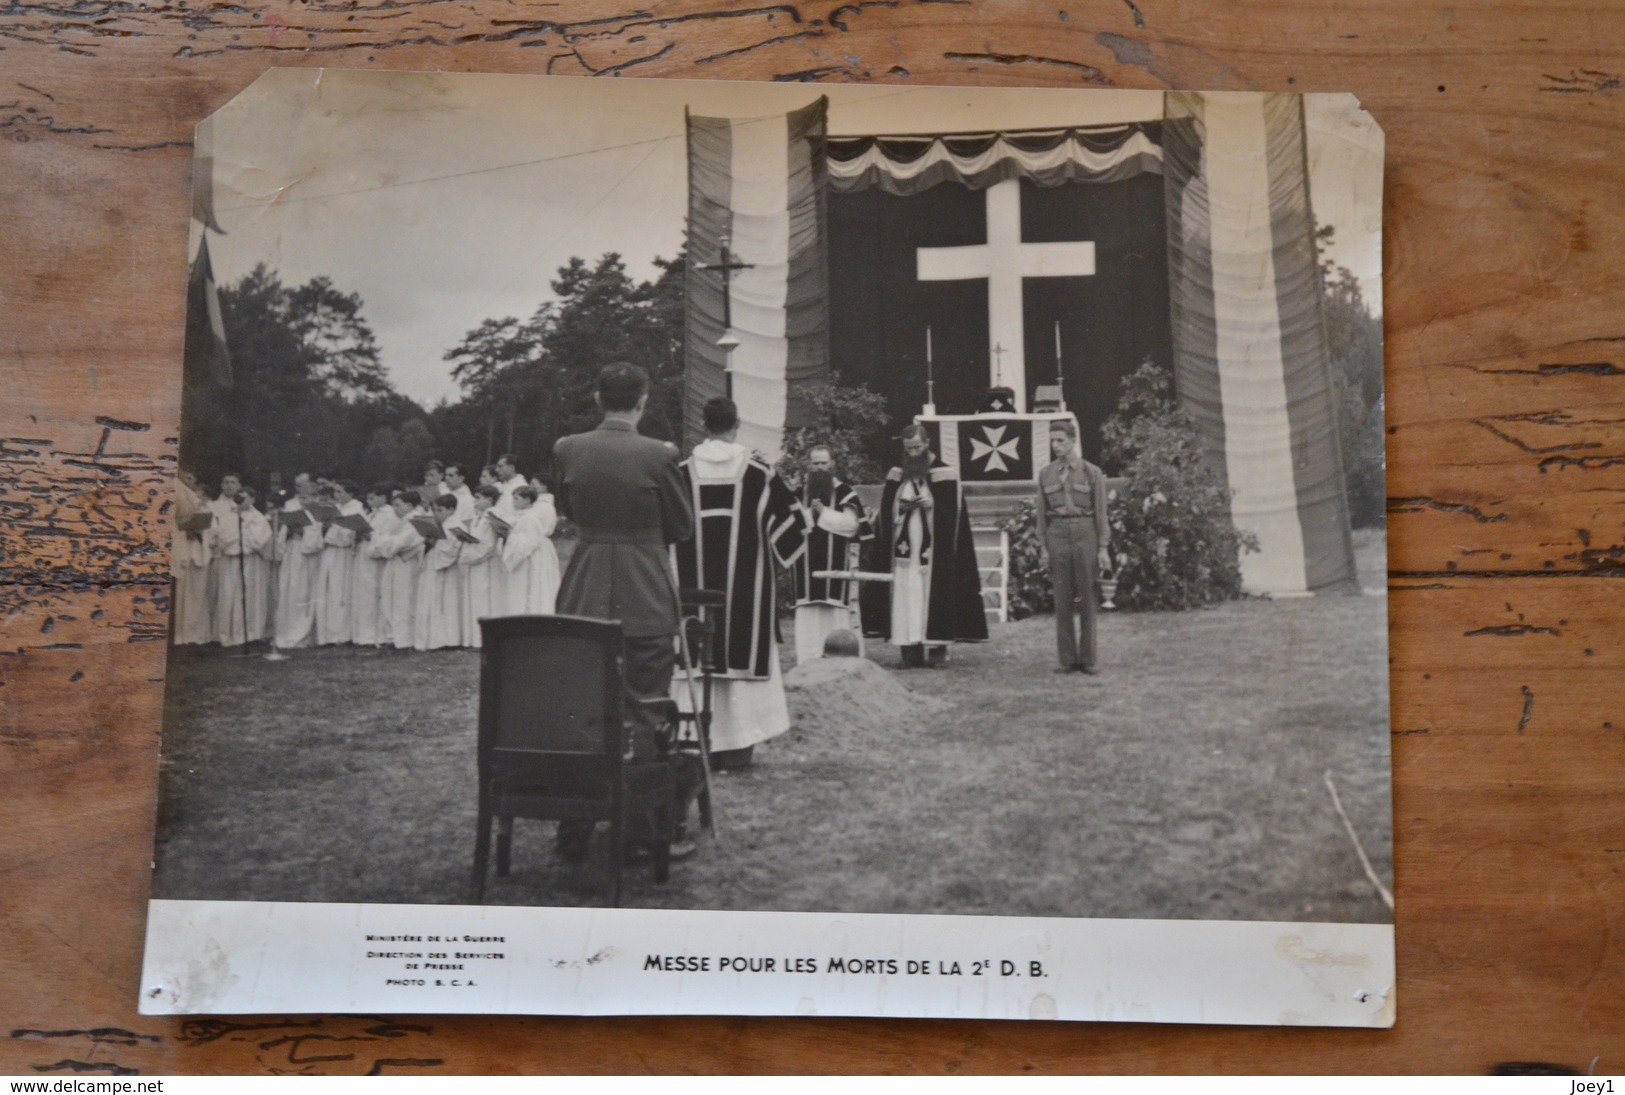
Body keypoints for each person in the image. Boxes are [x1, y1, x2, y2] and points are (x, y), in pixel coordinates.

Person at [553, 361, 695, 860]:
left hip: (583, 591)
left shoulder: (568, 448)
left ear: (597, 399)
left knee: (580, 709)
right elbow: (682, 528)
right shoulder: (660, 455)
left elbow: (569, 511)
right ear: (643, 401)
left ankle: (572, 830)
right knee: (642, 711)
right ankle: (637, 833)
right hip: (645, 596)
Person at [673, 396, 809, 768]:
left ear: (704, 425)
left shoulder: (680, 474)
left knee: (696, 655)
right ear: (736, 426)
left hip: (690, 595)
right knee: (740, 650)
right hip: (745, 596)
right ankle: (738, 746)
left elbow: (661, 529)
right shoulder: (760, 475)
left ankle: (692, 745)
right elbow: (795, 528)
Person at [861, 423, 988, 666]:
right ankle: (909, 650)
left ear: (927, 444)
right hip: (903, 553)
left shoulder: (945, 474)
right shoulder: (896, 474)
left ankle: (937, 650)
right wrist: (901, 507)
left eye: (917, 447)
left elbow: (955, 517)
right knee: (905, 595)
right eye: (908, 448)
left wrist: (931, 507)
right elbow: (885, 514)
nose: (912, 453)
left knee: (932, 595)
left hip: (933, 554)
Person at [1036, 419, 1111, 675]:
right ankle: (1067, 659)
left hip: (1085, 532)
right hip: (1057, 533)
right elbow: (1041, 515)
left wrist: (1102, 548)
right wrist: (1044, 548)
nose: (1055, 445)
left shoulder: (1091, 472)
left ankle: (1088, 658)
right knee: (1062, 598)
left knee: (1088, 597)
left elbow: (1101, 512)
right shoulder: (1046, 474)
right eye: (1052, 441)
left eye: (1060, 440)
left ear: (1073, 440)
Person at [790, 444, 868, 664]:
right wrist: (809, 514)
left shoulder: (844, 493)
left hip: (836, 569)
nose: (820, 468)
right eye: (815, 463)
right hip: (805, 570)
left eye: (824, 463)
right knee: (809, 614)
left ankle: (841, 659)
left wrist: (823, 513)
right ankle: (808, 661)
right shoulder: (797, 494)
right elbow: (791, 526)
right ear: (808, 465)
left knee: (835, 613)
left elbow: (852, 526)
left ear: (832, 465)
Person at [212, 486, 273, 648]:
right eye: (239, 497)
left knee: (250, 596)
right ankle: (229, 633)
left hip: (250, 561)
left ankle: (252, 633)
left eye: (245, 498)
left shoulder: (258, 517)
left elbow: (258, 540)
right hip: (231, 561)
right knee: (230, 594)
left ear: (252, 499)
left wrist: (244, 531)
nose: (240, 501)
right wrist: (241, 533)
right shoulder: (228, 516)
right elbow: (223, 537)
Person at [273, 472, 324, 650]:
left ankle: (302, 633)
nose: (300, 492)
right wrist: (286, 532)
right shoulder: (290, 505)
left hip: (308, 556)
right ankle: (285, 632)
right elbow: (283, 532)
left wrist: (305, 534)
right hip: (292, 552)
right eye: (297, 488)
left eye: (303, 486)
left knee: (304, 593)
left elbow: (318, 537)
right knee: (289, 591)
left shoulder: (319, 509)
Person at [315, 481, 365, 645]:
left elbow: (349, 535)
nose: (337, 495)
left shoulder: (356, 508)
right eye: (335, 492)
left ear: (351, 494)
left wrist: (333, 528)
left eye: (340, 492)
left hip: (343, 554)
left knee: (339, 592)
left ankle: (340, 634)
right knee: (328, 591)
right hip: (330, 552)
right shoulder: (338, 508)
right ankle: (327, 634)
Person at [499, 484, 560, 615]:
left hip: (532, 558)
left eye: (516, 498)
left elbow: (528, 543)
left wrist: (510, 537)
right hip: (528, 556)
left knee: (532, 591)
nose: (513, 502)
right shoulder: (522, 516)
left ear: (527, 500)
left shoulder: (530, 518)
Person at [414, 494, 464, 650]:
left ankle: (447, 639)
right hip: (433, 566)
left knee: (445, 603)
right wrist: (428, 543)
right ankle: (433, 638)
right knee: (433, 601)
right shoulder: (439, 524)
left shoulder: (456, 525)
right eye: (434, 510)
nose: (436, 513)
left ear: (451, 510)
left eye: (440, 510)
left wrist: (436, 543)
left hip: (446, 570)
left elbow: (452, 549)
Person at [352, 484, 400, 647]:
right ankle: (363, 634)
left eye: (373, 497)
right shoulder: (371, 514)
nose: (369, 501)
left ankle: (375, 635)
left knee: (374, 595)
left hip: (376, 559)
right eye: (368, 498)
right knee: (364, 595)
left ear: (384, 498)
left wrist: (370, 536)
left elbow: (386, 537)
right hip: (364, 555)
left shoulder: (389, 515)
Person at [458, 484, 505, 647]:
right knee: (475, 597)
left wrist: (469, 556)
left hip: (485, 563)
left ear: (489, 500)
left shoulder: (492, 517)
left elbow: (489, 545)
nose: (474, 501)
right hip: (476, 562)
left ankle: (483, 639)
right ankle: (473, 638)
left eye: (478, 498)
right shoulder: (480, 517)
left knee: (484, 598)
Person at [171, 468, 213, 645]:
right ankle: (179, 634)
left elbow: (212, 530)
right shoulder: (178, 499)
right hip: (182, 550)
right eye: (185, 478)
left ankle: (195, 633)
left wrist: (198, 533)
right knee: (181, 596)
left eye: (190, 478)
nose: (187, 481)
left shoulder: (202, 505)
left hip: (197, 551)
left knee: (196, 597)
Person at [491, 453, 528, 523]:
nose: (496, 470)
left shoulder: (521, 487)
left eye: (500, 466)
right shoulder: (503, 485)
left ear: (512, 468)